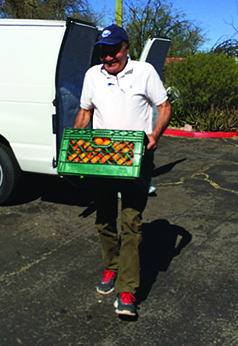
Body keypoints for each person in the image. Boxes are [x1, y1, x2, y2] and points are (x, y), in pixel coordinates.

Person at [73, 24, 172, 316]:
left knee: (131, 223)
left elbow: (164, 107)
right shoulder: (93, 75)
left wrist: (154, 135)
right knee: (104, 220)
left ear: (127, 46)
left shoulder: (144, 73)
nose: (108, 57)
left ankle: (127, 290)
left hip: (136, 159)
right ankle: (111, 267)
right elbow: (85, 111)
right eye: (104, 51)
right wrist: (75, 145)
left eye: (113, 50)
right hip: (102, 158)